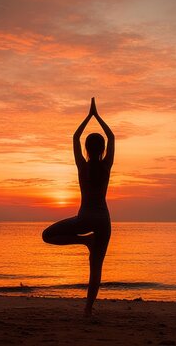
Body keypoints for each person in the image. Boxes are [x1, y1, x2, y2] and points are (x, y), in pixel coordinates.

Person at [42, 97, 114, 317]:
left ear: (86, 148)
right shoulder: (106, 165)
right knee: (96, 268)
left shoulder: (82, 166)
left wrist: (88, 116)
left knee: (47, 235)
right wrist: (97, 116)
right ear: (102, 148)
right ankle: (88, 310)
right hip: (103, 220)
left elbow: (75, 137)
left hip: (84, 218)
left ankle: (85, 240)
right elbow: (111, 136)